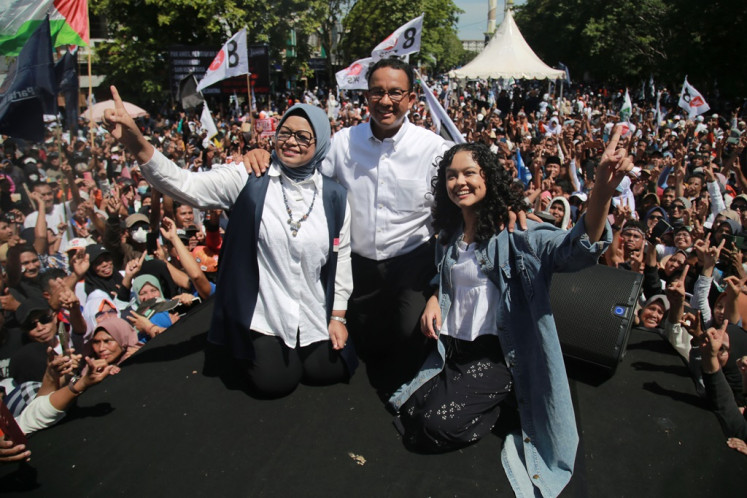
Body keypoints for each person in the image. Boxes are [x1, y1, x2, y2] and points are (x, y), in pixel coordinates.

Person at [390, 126, 631, 498]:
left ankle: (507, 404)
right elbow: (445, 278)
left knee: (436, 427)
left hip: (498, 355)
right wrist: (436, 298)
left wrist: (601, 188)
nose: (459, 182)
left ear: (488, 177)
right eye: (451, 175)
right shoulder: (449, 236)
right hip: (452, 351)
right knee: (410, 412)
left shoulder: (518, 233)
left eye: (469, 173)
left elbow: (575, 249)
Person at [102, 88, 355, 398]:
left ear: (320, 144)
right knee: (276, 382)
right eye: (285, 132)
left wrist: (338, 317)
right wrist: (137, 143)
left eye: (304, 137)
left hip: (313, 309)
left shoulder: (335, 195)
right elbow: (185, 185)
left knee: (329, 370)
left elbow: (341, 258)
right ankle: (243, 341)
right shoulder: (250, 176)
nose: (291, 141)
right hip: (265, 312)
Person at [245, 58, 453, 386]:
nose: (385, 101)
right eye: (377, 92)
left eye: (395, 93)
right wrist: (260, 158)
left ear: (411, 99)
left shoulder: (435, 149)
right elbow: (299, 176)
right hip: (356, 268)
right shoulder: (342, 143)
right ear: (366, 96)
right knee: (350, 349)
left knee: (407, 343)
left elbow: (468, 196)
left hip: (411, 268)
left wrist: (509, 204)